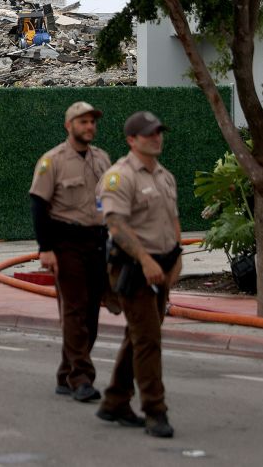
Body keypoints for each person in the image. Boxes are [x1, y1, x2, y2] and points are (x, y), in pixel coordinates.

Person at [95, 111, 183, 438]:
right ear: (132, 140)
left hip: (162, 267)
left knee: (139, 337)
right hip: (134, 268)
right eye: (148, 133)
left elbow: (173, 220)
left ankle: (115, 401)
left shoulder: (165, 176)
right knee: (148, 340)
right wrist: (146, 261)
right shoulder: (119, 177)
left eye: (159, 131)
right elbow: (116, 226)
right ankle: (155, 411)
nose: (156, 137)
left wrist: (177, 258)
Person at [29, 101, 112, 403]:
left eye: (92, 122)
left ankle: (65, 374)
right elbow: (38, 206)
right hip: (66, 243)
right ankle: (81, 378)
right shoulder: (52, 161)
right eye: (83, 122)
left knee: (90, 315)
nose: (89, 127)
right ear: (69, 126)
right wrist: (45, 249)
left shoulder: (103, 160)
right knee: (75, 310)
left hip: (97, 243)